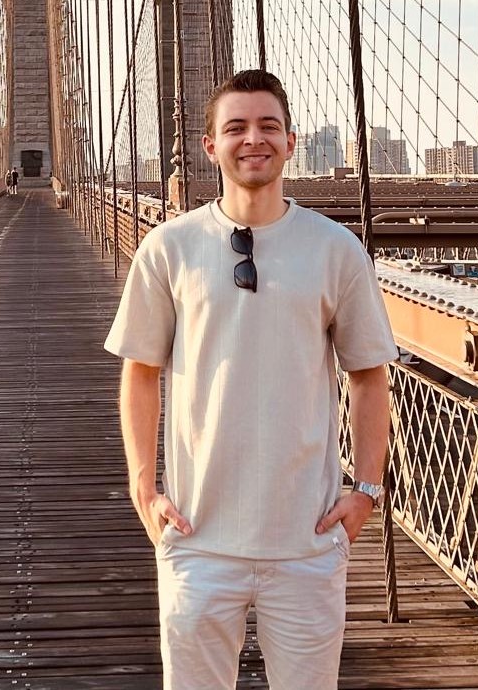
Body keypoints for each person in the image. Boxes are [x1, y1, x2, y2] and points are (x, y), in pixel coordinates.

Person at [103, 69, 397, 689]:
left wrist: (367, 489)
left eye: (268, 126)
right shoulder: (168, 248)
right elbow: (140, 372)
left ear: (291, 141)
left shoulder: (337, 249)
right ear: (211, 146)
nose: (253, 139)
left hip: (307, 543)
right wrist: (142, 488)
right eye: (235, 127)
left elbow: (370, 376)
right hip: (197, 539)